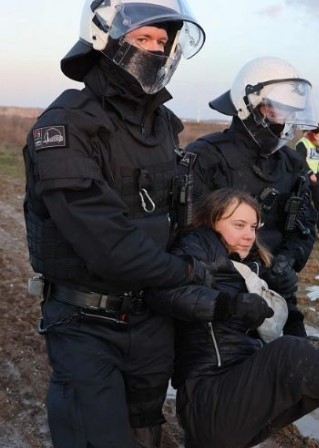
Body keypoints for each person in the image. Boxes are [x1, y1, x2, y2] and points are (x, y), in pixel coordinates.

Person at [21, 1, 225, 446]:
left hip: (153, 324)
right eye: (142, 38)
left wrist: (202, 251)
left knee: (145, 435)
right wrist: (189, 274)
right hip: (85, 324)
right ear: (105, 38)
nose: (155, 50)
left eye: (162, 41)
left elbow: (185, 220)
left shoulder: (164, 129)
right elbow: (107, 243)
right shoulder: (66, 126)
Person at [146, 188, 319, 447]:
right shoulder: (198, 245)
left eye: (254, 226)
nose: (249, 235)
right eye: (239, 225)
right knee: (287, 354)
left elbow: (283, 329)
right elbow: (166, 293)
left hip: (235, 399)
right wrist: (229, 305)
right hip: (209, 398)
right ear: (211, 220)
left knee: (310, 381)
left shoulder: (250, 267)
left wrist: (288, 305)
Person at [182, 56, 319, 338]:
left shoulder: (293, 165)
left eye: (291, 113)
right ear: (251, 107)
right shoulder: (206, 156)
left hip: (275, 295)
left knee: (295, 369)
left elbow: (304, 229)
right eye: (278, 111)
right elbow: (187, 234)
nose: (284, 122)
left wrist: (287, 263)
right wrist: (242, 271)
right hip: (220, 298)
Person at [295, 123, 319, 239]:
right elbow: (301, 161)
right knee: (302, 205)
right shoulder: (302, 143)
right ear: (313, 133)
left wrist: (318, 173)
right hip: (305, 178)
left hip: (316, 179)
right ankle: (296, 230)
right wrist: (310, 173)